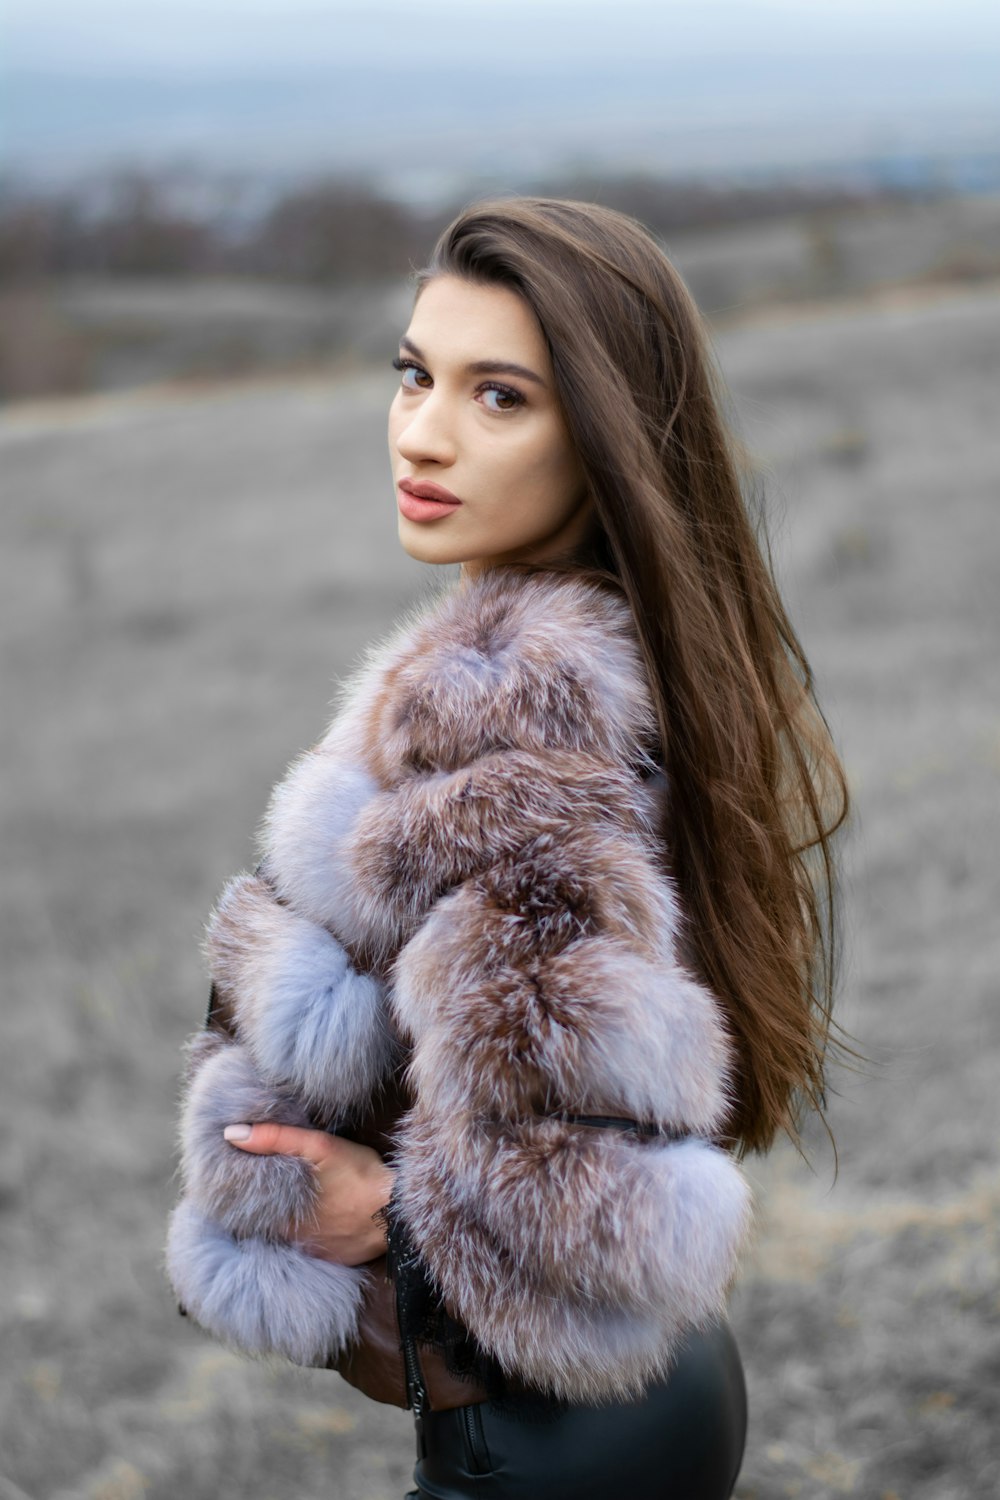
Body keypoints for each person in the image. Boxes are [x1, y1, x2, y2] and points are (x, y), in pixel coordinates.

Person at [165, 197, 849, 1500]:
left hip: (547, 1434)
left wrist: (392, 1228)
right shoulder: (621, 648)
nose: (422, 432)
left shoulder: (518, 706)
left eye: (499, 399)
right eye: (415, 375)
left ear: (597, 437)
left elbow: (572, 1175)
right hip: (644, 1395)